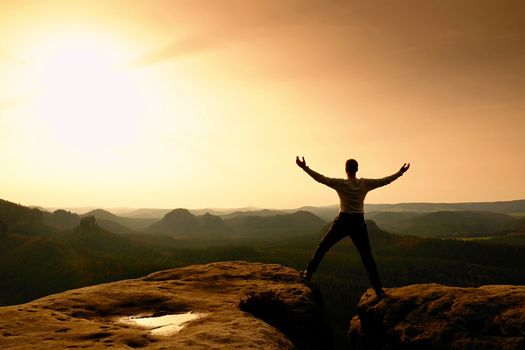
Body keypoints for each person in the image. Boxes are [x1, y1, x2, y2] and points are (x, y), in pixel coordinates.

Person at [295, 156, 410, 299]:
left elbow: (321, 178)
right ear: (357, 169)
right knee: (367, 257)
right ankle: (378, 289)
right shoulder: (364, 184)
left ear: (346, 170)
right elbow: (385, 181)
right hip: (358, 223)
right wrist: (400, 172)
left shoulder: (341, 184)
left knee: (323, 247)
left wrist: (305, 168)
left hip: (343, 221)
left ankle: (308, 274)